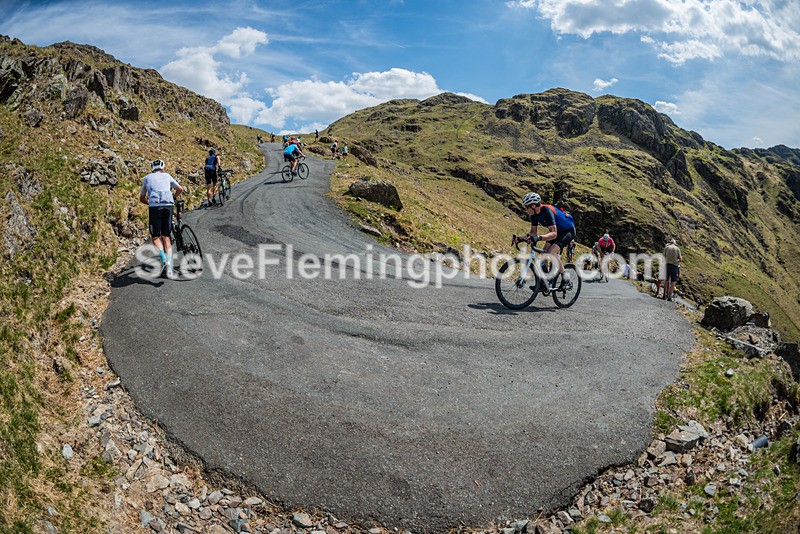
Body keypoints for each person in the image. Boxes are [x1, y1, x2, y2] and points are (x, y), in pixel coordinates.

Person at [520, 192, 576, 289]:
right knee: (543, 254)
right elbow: (533, 232)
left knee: (551, 252)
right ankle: (545, 281)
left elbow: (553, 234)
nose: (526, 210)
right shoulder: (534, 215)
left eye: (526, 207)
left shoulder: (546, 210)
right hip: (557, 232)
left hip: (568, 231)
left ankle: (565, 278)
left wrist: (539, 238)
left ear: (533, 206)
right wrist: (520, 238)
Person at [139, 159, 183, 278]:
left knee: (156, 237)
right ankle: (169, 265)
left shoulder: (147, 178)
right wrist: (173, 197)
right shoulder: (167, 175)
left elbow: (142, 198)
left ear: (152, 169)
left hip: (155, 207)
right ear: (162, 168)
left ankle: (163, 260)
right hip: (168, 205)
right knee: (166, 236)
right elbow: (180, 189)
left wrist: (150, 202)